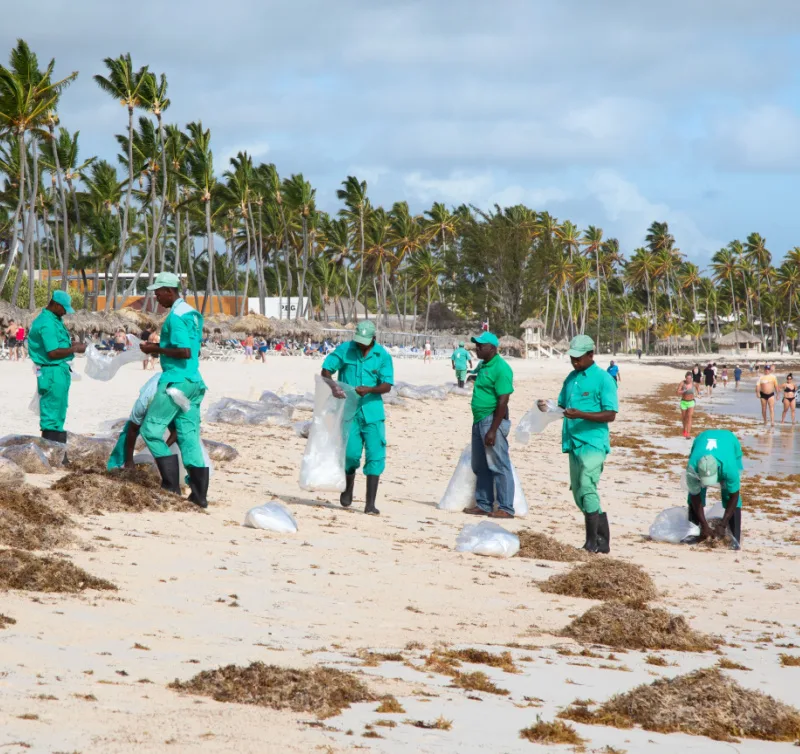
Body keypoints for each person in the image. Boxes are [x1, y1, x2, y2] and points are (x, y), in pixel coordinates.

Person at [540, 334, 618, 553]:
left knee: (586, 485)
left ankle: (592, 543)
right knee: (579, 494)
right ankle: (602, 542)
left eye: (579, 358)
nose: (575, 362)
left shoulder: (604, 379)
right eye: (572, 358)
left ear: (591, 354)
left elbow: (610, 414)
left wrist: (581, 414)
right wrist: (547, 406)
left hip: (593, 442)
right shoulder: (571, 378)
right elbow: (562, 406)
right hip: (572, 442)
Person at [138, 272, 209, 508]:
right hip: (194, 382)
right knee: (189, 437)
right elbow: (192, 350)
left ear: (170, 291)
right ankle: (199, 497)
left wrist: (154, 349)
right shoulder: (192, 314)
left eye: (158, 293)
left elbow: (184, 351)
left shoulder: (175, 317)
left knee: (150, 430)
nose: (157, 298)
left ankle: (170, 486)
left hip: (176, 381)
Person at [321, 320, 394, 515]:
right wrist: (334, 386)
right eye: (359, 341)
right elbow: (326, 370)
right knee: (350, 454)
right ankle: (349, 482)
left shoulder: (383, 356)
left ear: (373, 339)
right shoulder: (345, 349)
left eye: (365, 341)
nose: (361, 345)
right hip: (349, 412)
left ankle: (370, 504)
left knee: (375, 455)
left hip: (372, 412)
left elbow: (387, 385)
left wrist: (370, 389)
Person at [463, 332, 515, 519]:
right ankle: (483, 504)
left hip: (492, 420)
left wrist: (493, 430)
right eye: (476, 345)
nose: (477, 348)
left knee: (499, 464)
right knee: (481, 464)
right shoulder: (483, 365)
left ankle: (506, 508)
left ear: (492, 348)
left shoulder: (501, 368)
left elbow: (503, 401)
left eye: (481, 346)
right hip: (479, 420)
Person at [27, 291, 86, 443]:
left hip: (58, 371)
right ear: (55, 305)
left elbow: (59, 345)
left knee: (58, 412)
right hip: (52, 371)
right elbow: (53, 352)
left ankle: (57, 451)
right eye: (64, 308)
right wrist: (74, 349)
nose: (65, 312)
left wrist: (74, 345)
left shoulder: (54, 319)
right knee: (51, 416)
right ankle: (49, 450)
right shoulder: (46, 322)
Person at [685, 429, 743, 548]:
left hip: (729, 440)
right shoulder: (692, 467)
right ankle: (694, 531)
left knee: (729, 492)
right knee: (696, 491)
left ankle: (735, 536)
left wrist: (723, 525)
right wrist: (704, 525)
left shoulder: (729, 469)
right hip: (702, 437)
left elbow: (734, 495)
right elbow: (695, 495)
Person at [107, 374, 178, 469]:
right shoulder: (142, 404)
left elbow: (177, 431)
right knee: (128, 431)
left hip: (173, 395)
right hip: (153, 395)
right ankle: (116, 464)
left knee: (182, 434)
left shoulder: (176, 402)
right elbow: (132, 430)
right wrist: (129, 460)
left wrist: (162, 451)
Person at [677, 371, 697, 439]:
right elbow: (677, 392)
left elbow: (698, 387)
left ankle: (688, 433)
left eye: (690, 378)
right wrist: (683, 391)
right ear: (685, 378)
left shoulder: (694, 383)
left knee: (689, 417)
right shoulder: (682, 383)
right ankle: (684, 429)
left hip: (691, 402)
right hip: (683, 402)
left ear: (692, 378)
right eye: (687, 378)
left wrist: (699, 394)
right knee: (684, 418)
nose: (689, 380)